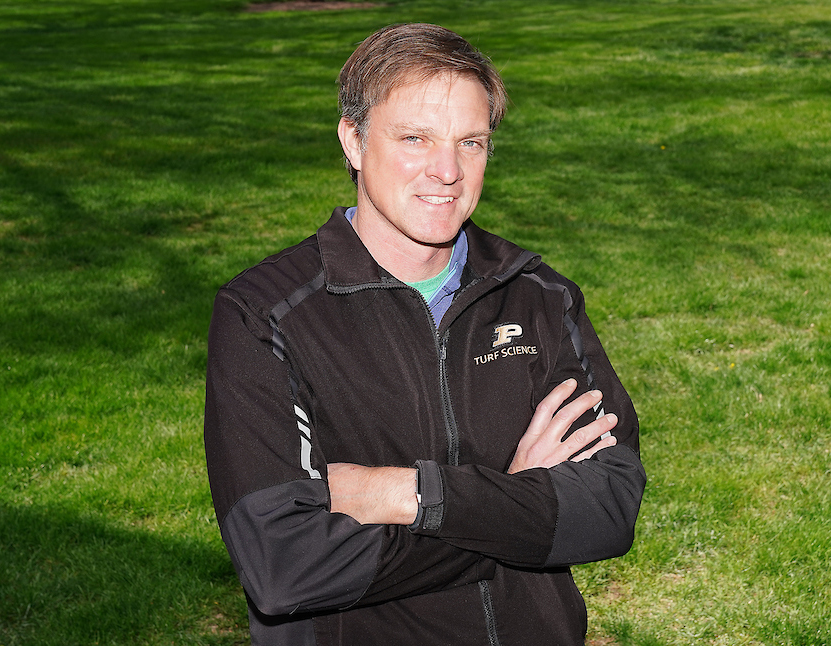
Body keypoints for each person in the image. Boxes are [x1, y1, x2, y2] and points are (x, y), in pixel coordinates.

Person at [203, 23, 646, 645]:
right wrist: (516, 506)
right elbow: (284, 564)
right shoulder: (265, 313)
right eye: (415, 138)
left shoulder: (538, 295)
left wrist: (402, 493)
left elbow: (607, 508)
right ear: (352, 141)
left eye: (472, 142)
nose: (447, 171)